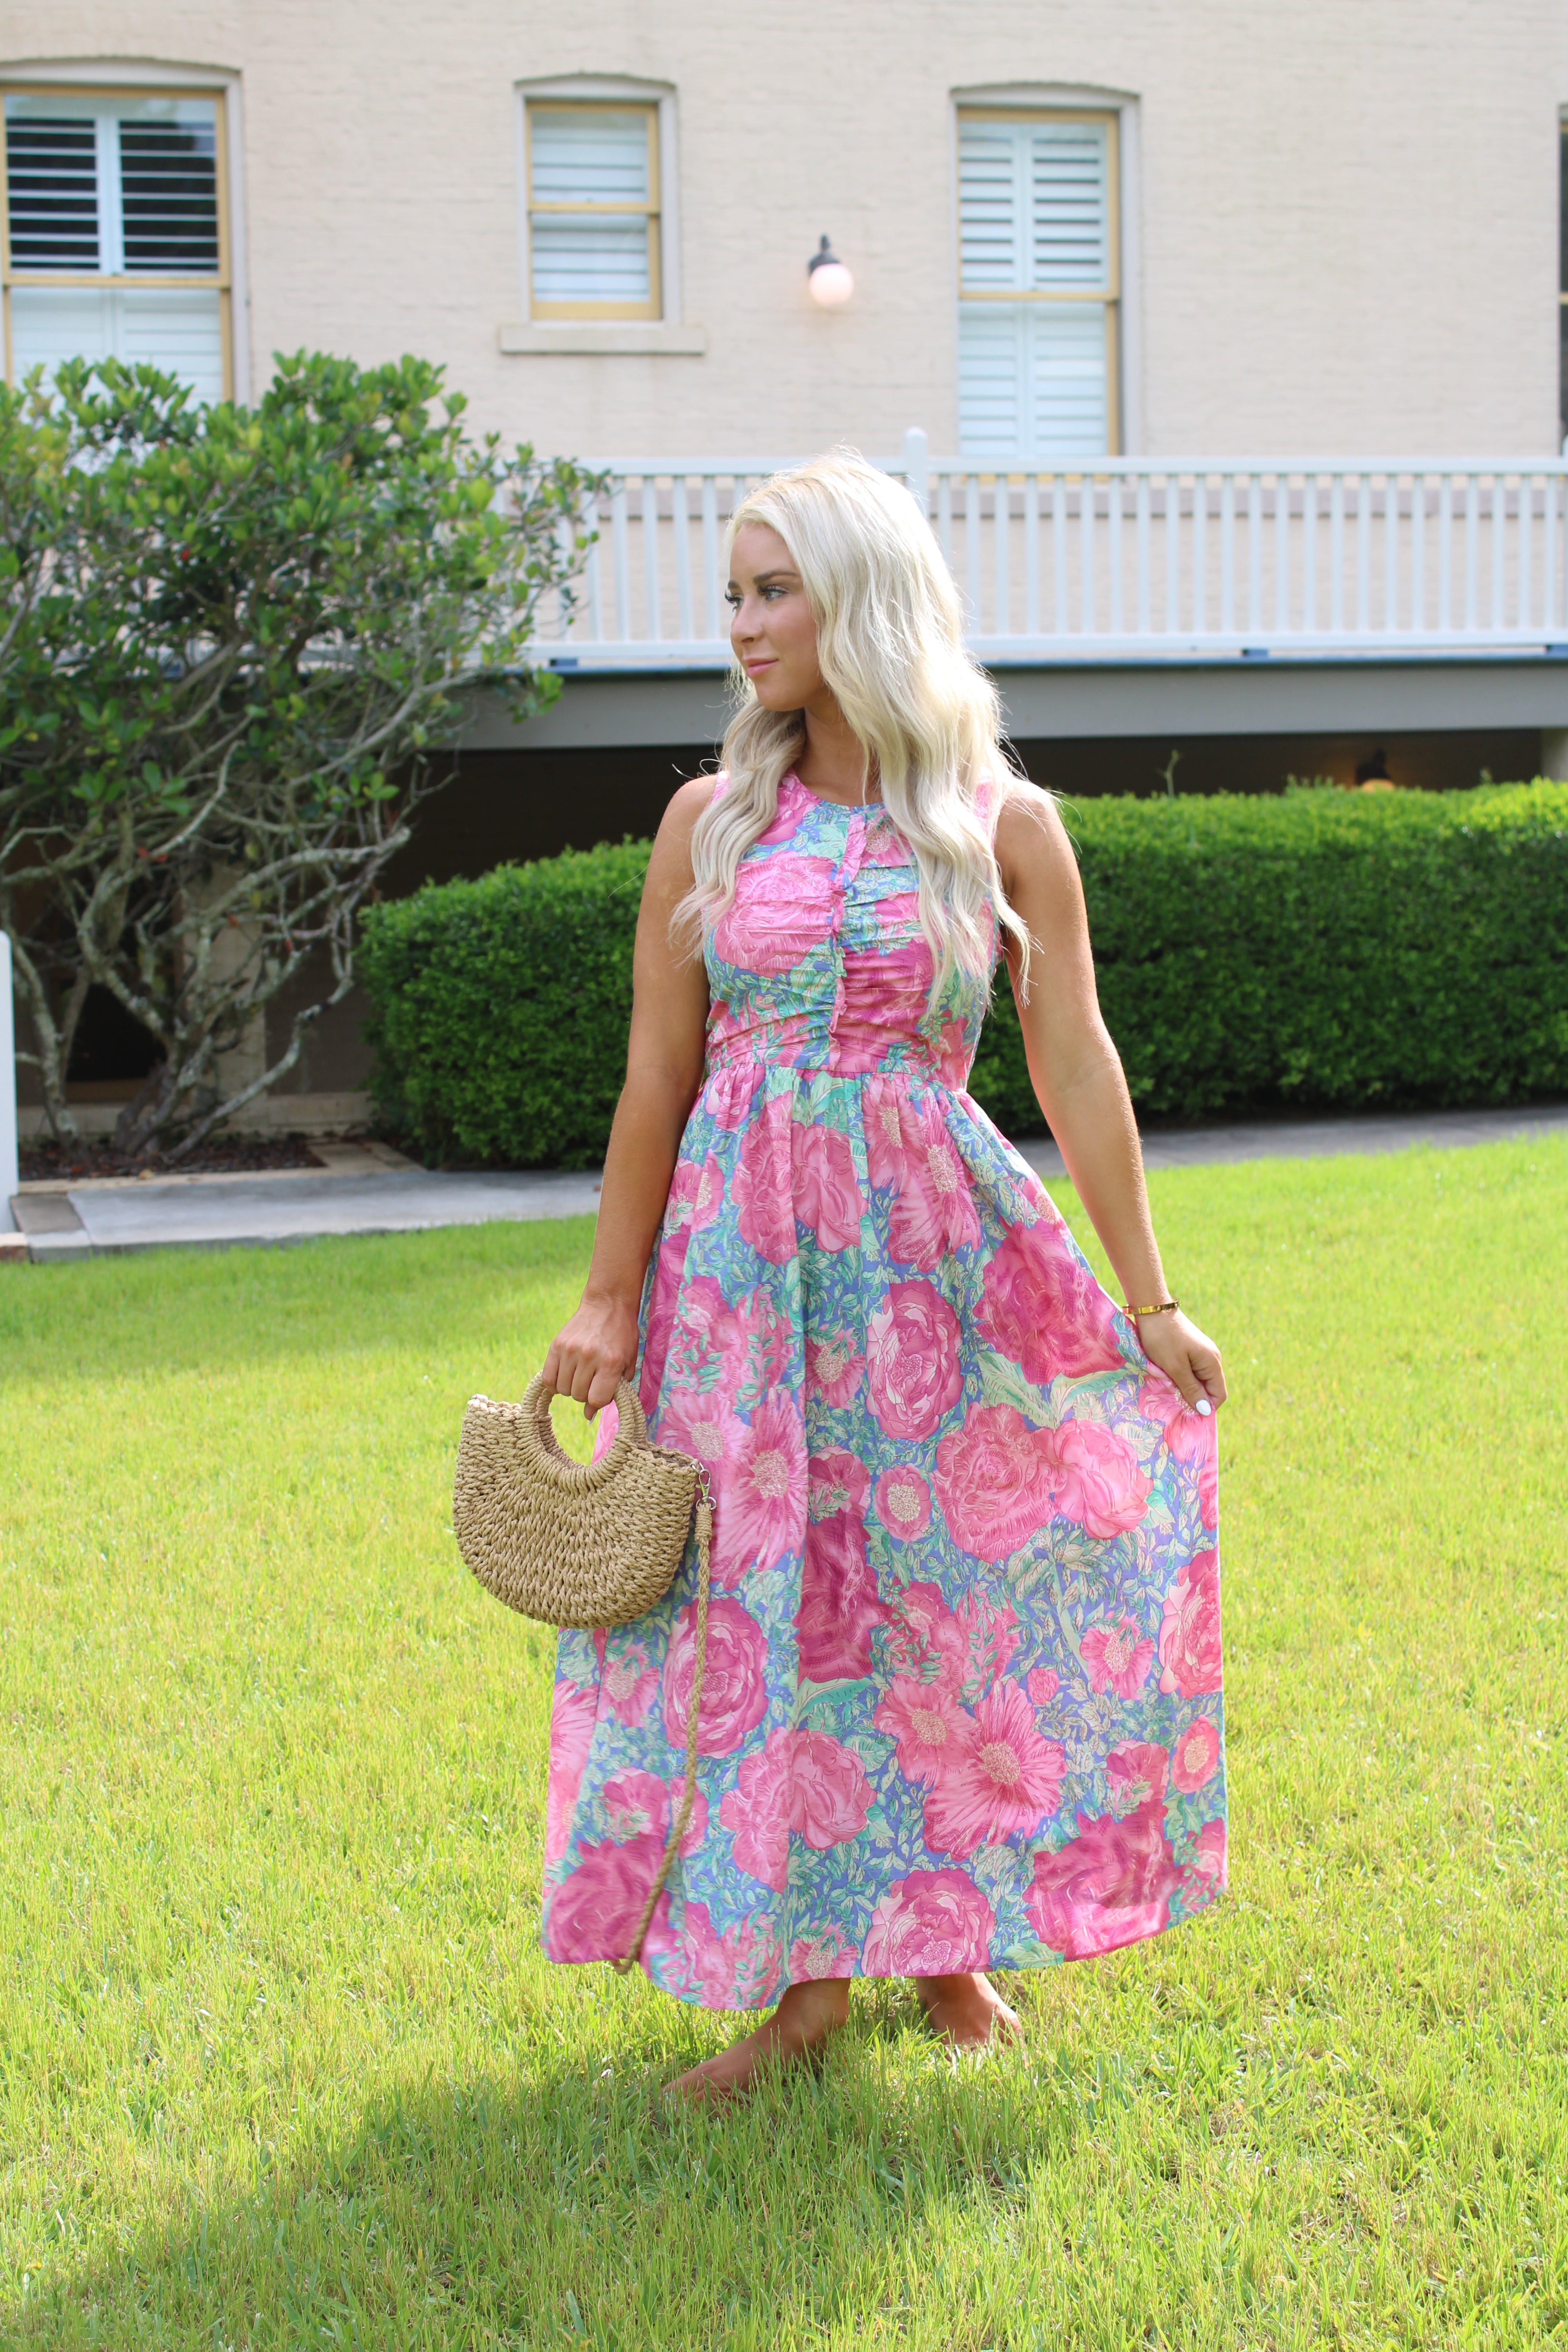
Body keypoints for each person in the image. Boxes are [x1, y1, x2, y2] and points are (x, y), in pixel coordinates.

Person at [541, 453, 1226, 2103]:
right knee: (773, 1605)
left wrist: (1147, 1303)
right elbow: (656, 1078)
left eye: (775, 589)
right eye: (735, 592)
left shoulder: (1002, 825)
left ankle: (945, 1941)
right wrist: (608, 1298)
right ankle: (803, 1991)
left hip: (936, 1269)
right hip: (738, 1278)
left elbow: (1075, 1065)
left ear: (860, 597)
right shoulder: (710, 822)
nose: (743, 622)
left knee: (941, 1595)